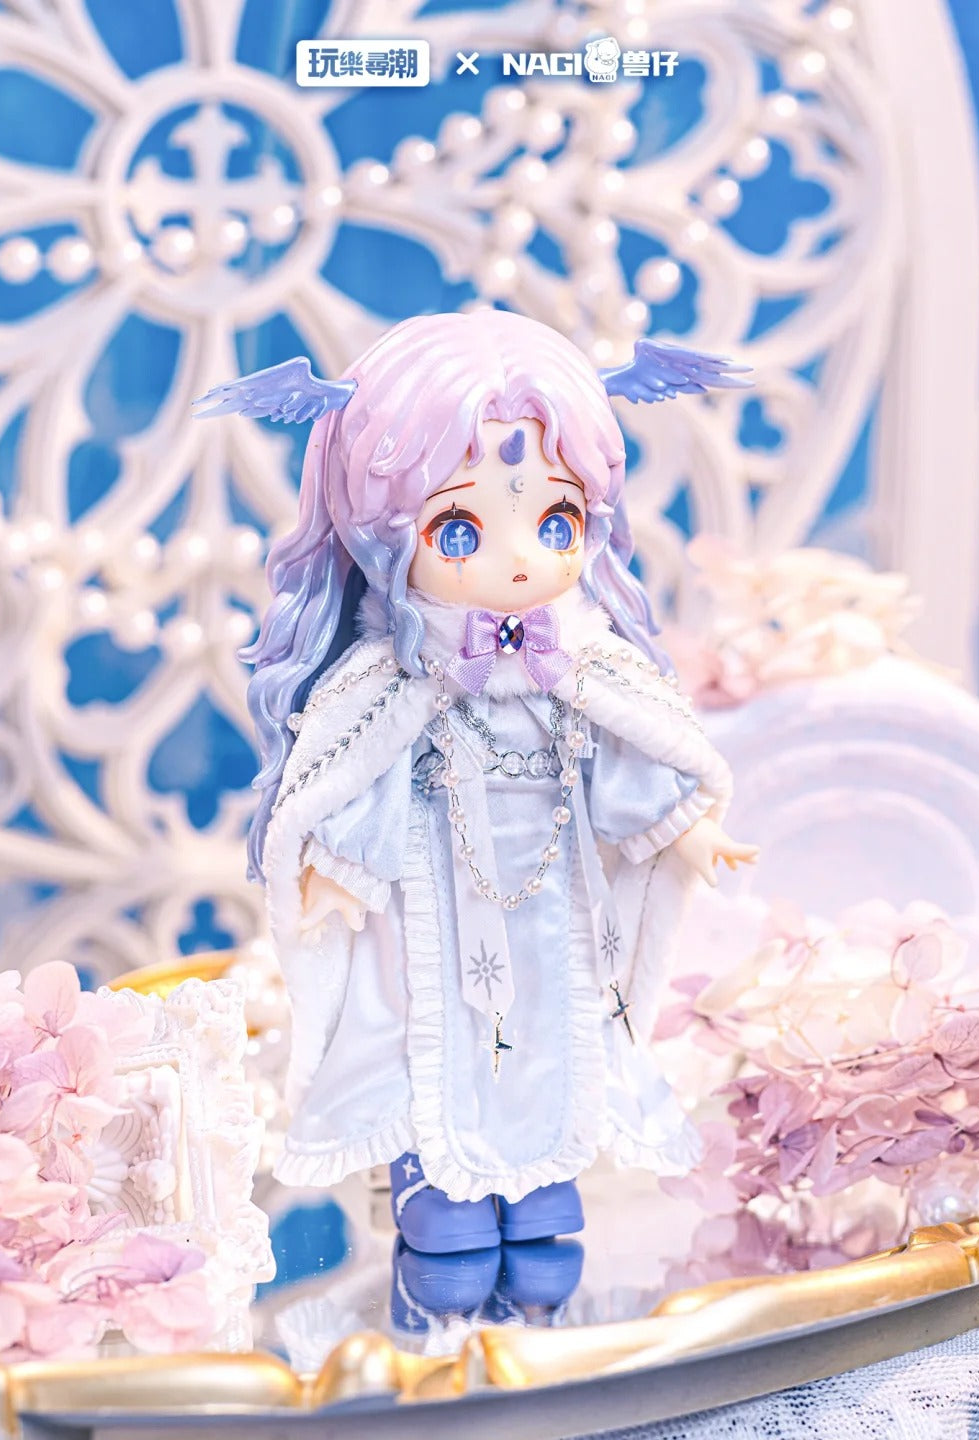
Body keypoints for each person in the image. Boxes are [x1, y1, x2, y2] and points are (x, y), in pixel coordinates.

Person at [196, 310, 758, 1253]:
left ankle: (546, 1170)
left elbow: (624, 757)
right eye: (460, 529)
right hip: (436, 888)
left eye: (555, 521)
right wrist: (338, 866)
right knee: (429, 1020)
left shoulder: (584, 664)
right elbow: (364, 775)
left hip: (553, 891)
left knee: (553, 1017)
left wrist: (681, 827)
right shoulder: (390, 682)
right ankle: (432, 1173)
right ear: (383, 535)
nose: (522, 558)